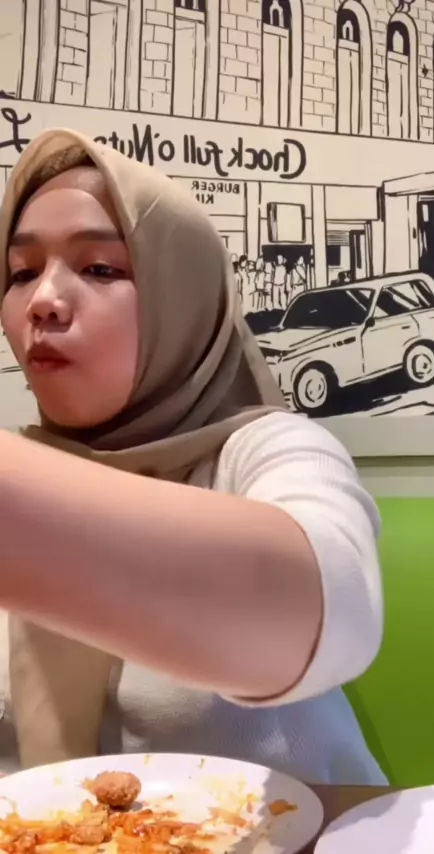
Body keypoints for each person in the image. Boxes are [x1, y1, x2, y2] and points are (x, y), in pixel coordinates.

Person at [0, 129, 385, 785]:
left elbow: (330, 609)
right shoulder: (26, 465)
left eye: (100, 269)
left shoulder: (265, 450)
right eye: (21, 273)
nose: (43, 301)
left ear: (184, 298)